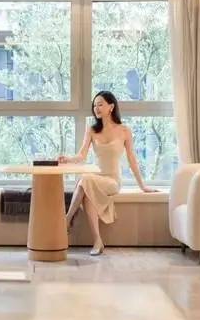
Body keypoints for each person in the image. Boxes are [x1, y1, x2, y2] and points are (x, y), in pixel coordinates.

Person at [58, 91, 158, 256]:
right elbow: (81, 155)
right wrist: (67, 159)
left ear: (111, 107)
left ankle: (67, 219)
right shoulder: (92, 130)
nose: (96, 108)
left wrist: (143, 186)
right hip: (95, 178)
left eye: (100, 104)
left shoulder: (124, 130)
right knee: (87, 191)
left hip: (112, 181)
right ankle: (98, 241)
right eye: (94, 105)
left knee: (85, 180)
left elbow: (132, 160)